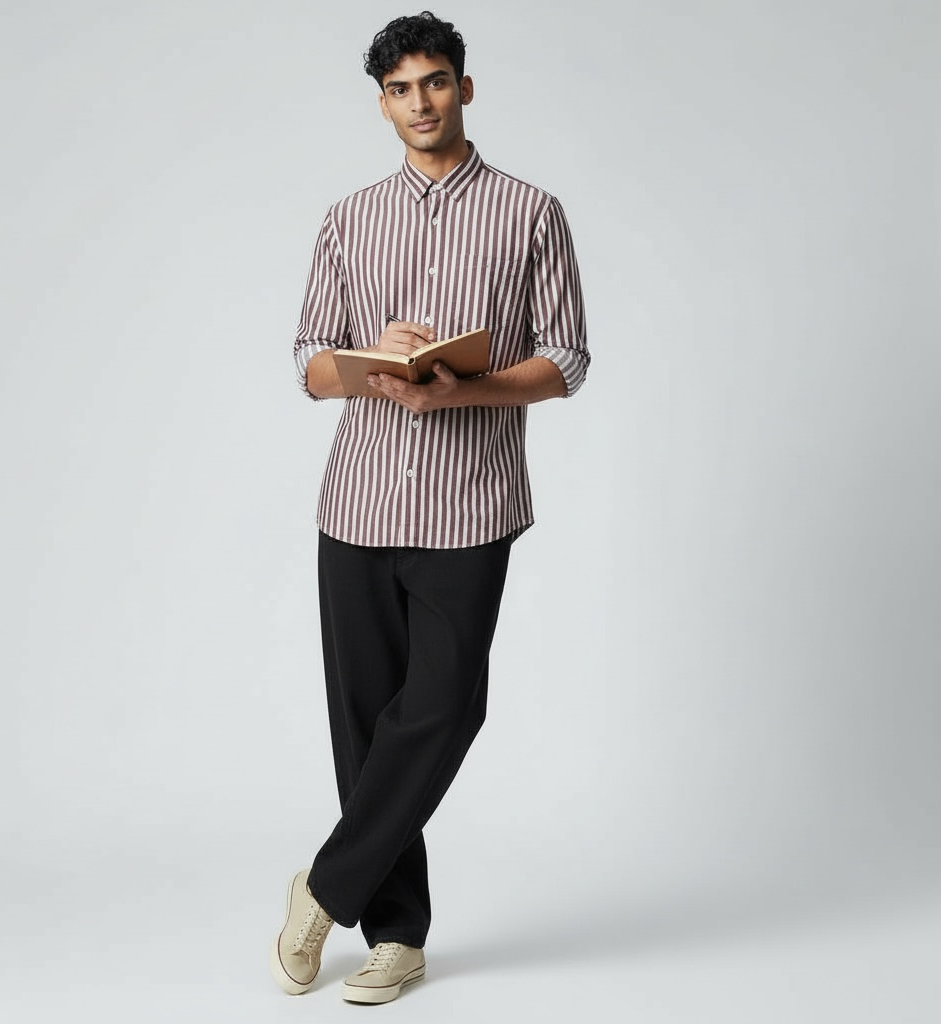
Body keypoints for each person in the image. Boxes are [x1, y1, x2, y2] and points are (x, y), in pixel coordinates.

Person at [271, 10, 589, 1005]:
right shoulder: (347, 218)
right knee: (367, 727)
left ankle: (324, 888)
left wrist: (467, 387)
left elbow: (566, 358)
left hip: (471, 503)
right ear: (382, 104)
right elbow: (308, 362)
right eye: (401, 89)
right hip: (358, 502)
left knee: (446, 707)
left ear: (464, 87)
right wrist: (373, 361)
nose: (421, 102)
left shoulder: (531, 212)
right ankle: (397, 937)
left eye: (436, 81)